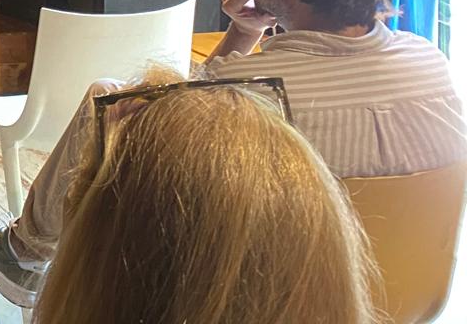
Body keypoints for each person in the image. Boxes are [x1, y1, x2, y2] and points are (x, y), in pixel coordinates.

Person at [0, 0, 467, 307]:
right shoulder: (431, 63)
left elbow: (184, 108)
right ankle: (23, 251)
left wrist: (240, 33)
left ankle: (24, 252)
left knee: (106, 101)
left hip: (280, 301)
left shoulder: (253, 92)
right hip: (406, 298)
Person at [34, 78, 378, 324]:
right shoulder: (417, 63)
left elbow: (198, 118)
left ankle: (26, 246)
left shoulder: (245, 76)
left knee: (104, 89)